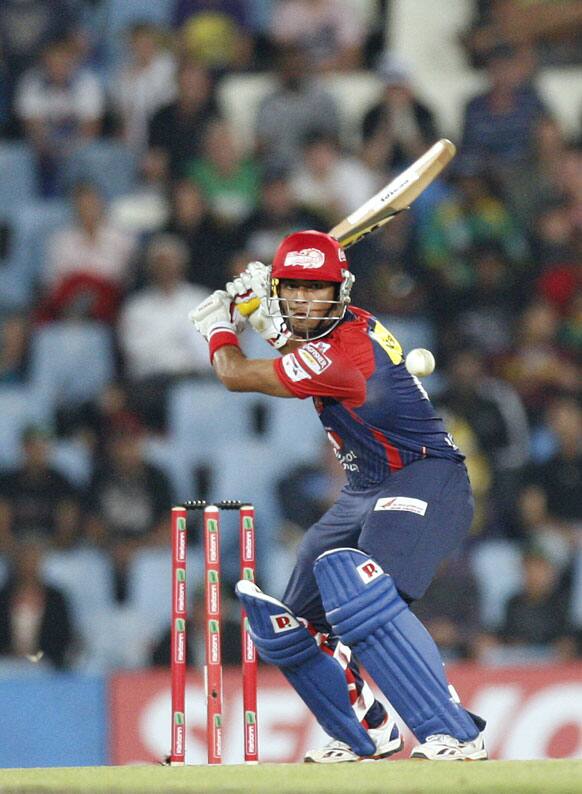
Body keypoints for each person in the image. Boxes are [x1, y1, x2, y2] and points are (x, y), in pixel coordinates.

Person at [189, 229, 487, 762]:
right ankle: (366, 729)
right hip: (363, 490)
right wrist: (265, 319)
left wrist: (220, 327)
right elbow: (304, 349)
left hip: (425, 478)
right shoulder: (333, 334)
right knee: (288, 626)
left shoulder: (344, 354)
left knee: (361, 596)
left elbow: (236, 375)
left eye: (317, 289)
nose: (305, 300)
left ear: (340, 292)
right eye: (294, 289)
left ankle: (457, 732)